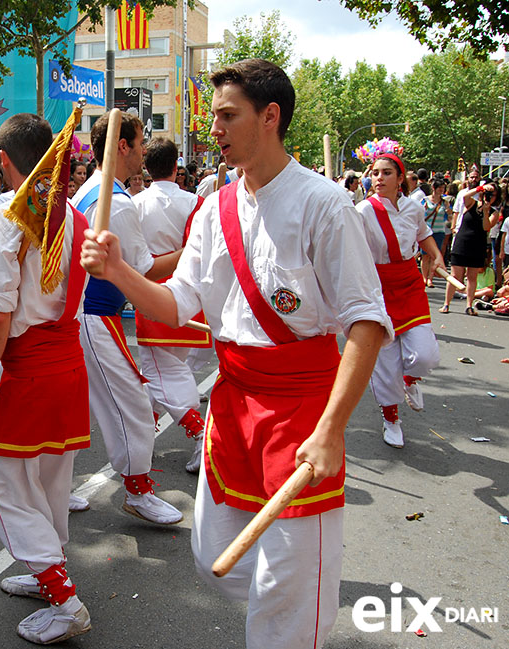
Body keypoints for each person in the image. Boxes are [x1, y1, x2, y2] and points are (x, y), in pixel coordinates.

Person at [80, 58, 391, 649]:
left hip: (303, 411)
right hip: (234, 403)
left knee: (289, 593)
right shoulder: (215, 208)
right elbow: (175, 303)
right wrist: (119, 269)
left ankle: (293, 623)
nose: (214, 127)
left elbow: (367, 323)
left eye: (227, 115)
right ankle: (289, 616)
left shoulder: (325, 205)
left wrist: (331, 429)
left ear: (269, 117)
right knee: (214, 560)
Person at [0, 112, 92, 645]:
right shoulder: (75, 214)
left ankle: (63, 596)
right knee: (50, 484)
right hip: (67, 362)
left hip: (30, 366)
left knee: (4, 487)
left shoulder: (7, 214)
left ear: (6, 159)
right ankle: (48, 575)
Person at [72, 112, 184, 525]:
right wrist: (194, 249)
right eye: (139, 144)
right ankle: (138, 491)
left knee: (79, 404)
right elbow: (143, 271)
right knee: (133, 405)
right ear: (122, 146)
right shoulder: (114, 203)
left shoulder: (90, 191)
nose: (142, 153)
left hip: (89, 316)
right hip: (95, 317)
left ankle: (49, 485)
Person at [132, 137, 210, 473]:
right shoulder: (196, 202)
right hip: (189, 293)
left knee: (158, 372)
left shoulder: (135, 204)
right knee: (161, 371)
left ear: (146, 167)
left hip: (152, 292)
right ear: (176, 167)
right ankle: (142, 438)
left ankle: (203, 435)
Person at [356, 154, 442, 448]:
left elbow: (423, 235)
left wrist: (436, 254)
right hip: (378, 286)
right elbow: (350, 247)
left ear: (400, 178)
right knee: (386, 359)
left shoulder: (412, 208)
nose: (379, 178)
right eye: (375, 173)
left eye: (387, 173)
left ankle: (411, 379)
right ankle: (391, 418)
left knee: (425, 354)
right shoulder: (364, 210)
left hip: (409, 283)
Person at [442, 180, 501, 314]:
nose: (490, 197)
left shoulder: (494, 212)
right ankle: (446, 304)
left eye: (493, 195)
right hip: (462, 242)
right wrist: (480, 188)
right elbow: (465, 196)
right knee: (455, 275)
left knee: (471, 276)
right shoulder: (472, 204)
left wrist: (486, 212)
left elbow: (486, 227)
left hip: (477, 245)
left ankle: (469, 305)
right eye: (488, 194)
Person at [420, 178, 452, 286]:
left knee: (434, 255)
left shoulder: (445, 202)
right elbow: (419, 215)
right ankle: (424, 277)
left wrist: (449, 212)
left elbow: (450, 219)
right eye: (440, 188)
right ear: (434, 188)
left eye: (443, 188)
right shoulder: (425, 200)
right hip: (426, 231)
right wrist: (423, 209)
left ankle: (430, 278)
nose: (442, 190)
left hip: (439, 231)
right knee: (425, 255)